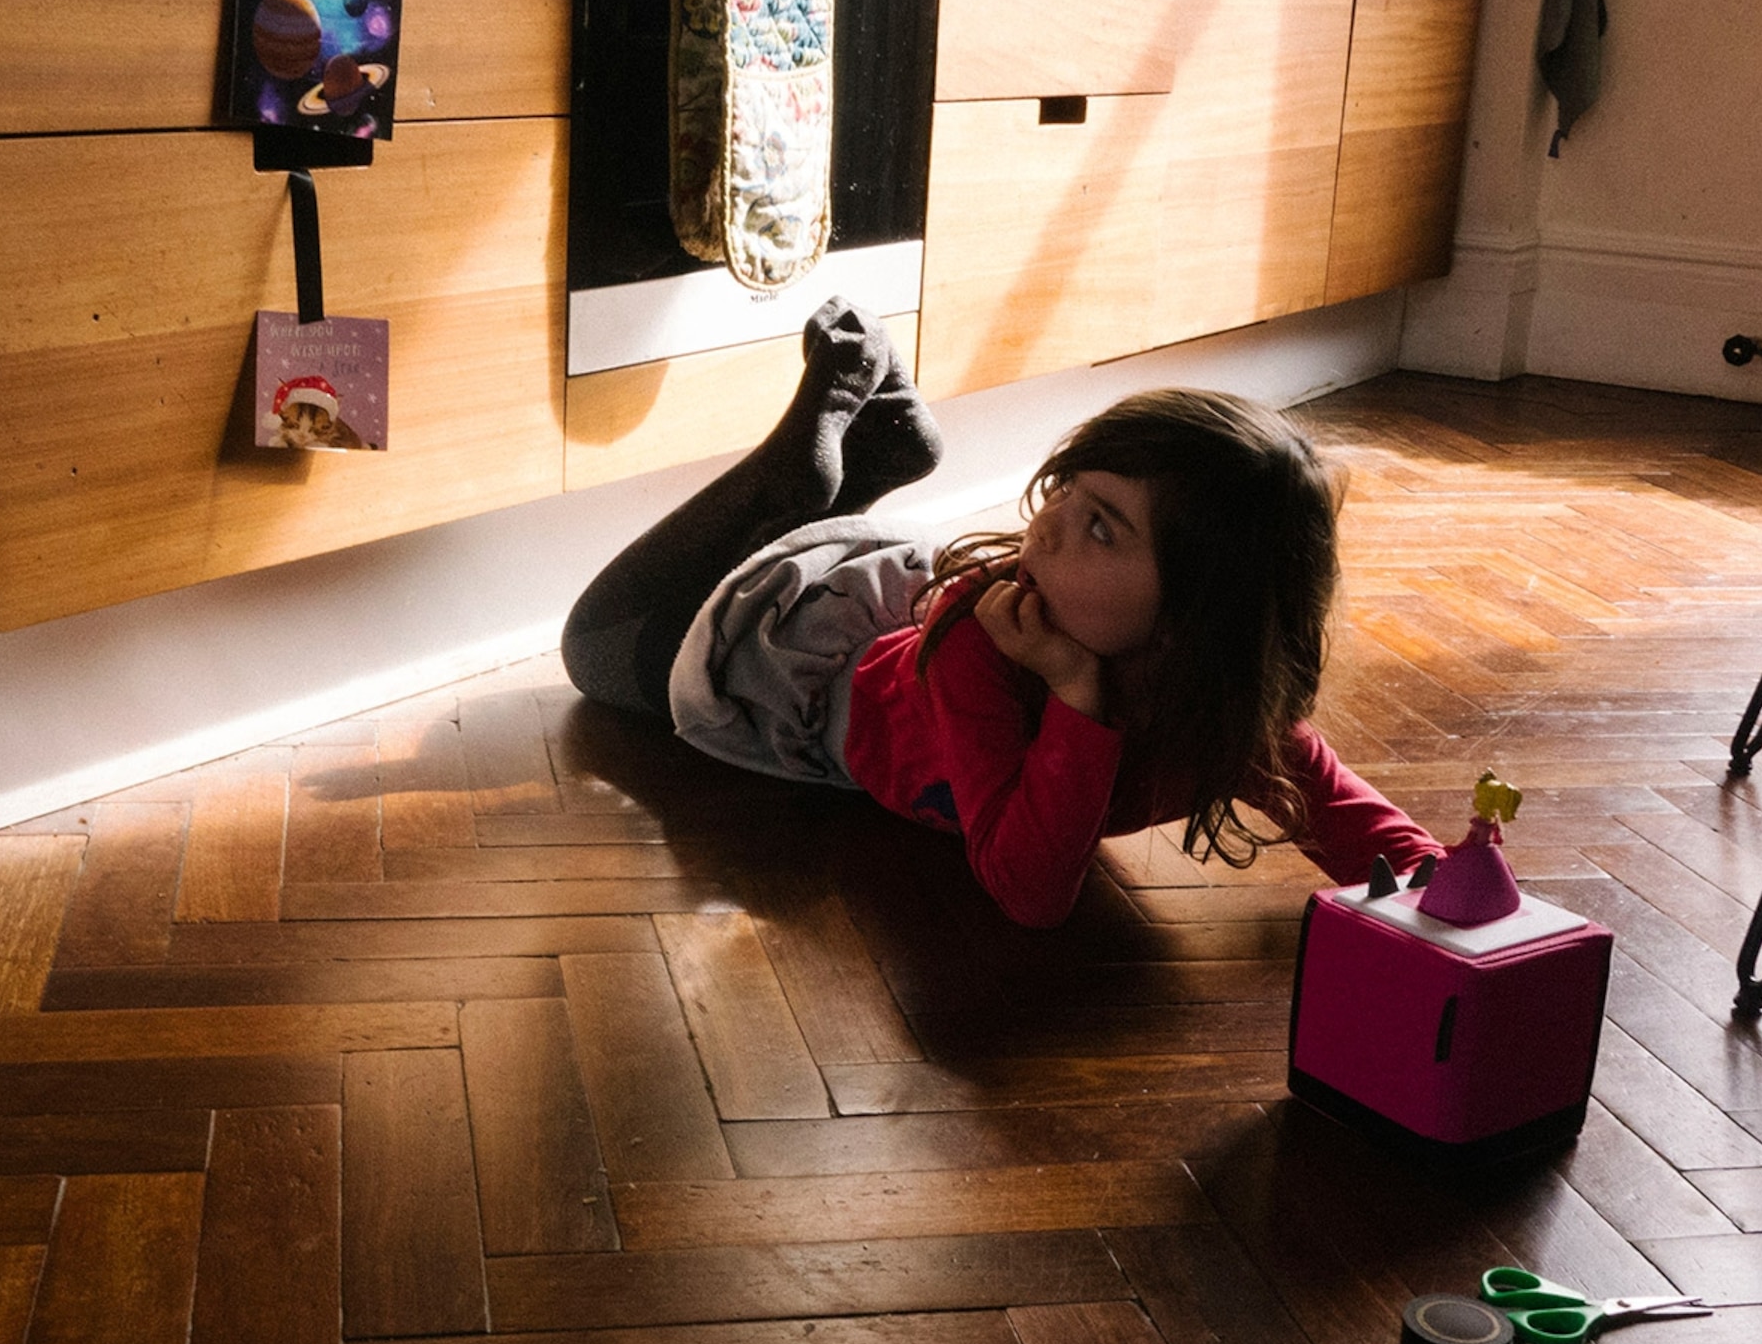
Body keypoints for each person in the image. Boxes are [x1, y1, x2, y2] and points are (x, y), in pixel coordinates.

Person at [562, 300, 1442, 927]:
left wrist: (1460, 904)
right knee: (594, 647)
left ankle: (860, 470)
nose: (1049, 519)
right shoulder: (979, 648)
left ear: (1192, 620)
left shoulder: (1223, 713)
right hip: (799, 669)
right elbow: (1027, 892)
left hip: (891, 632)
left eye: (1100, 525)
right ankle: (791, 483)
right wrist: (1075, 695)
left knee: (609, 639)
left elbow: (1369, 832)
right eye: (1068, 490)